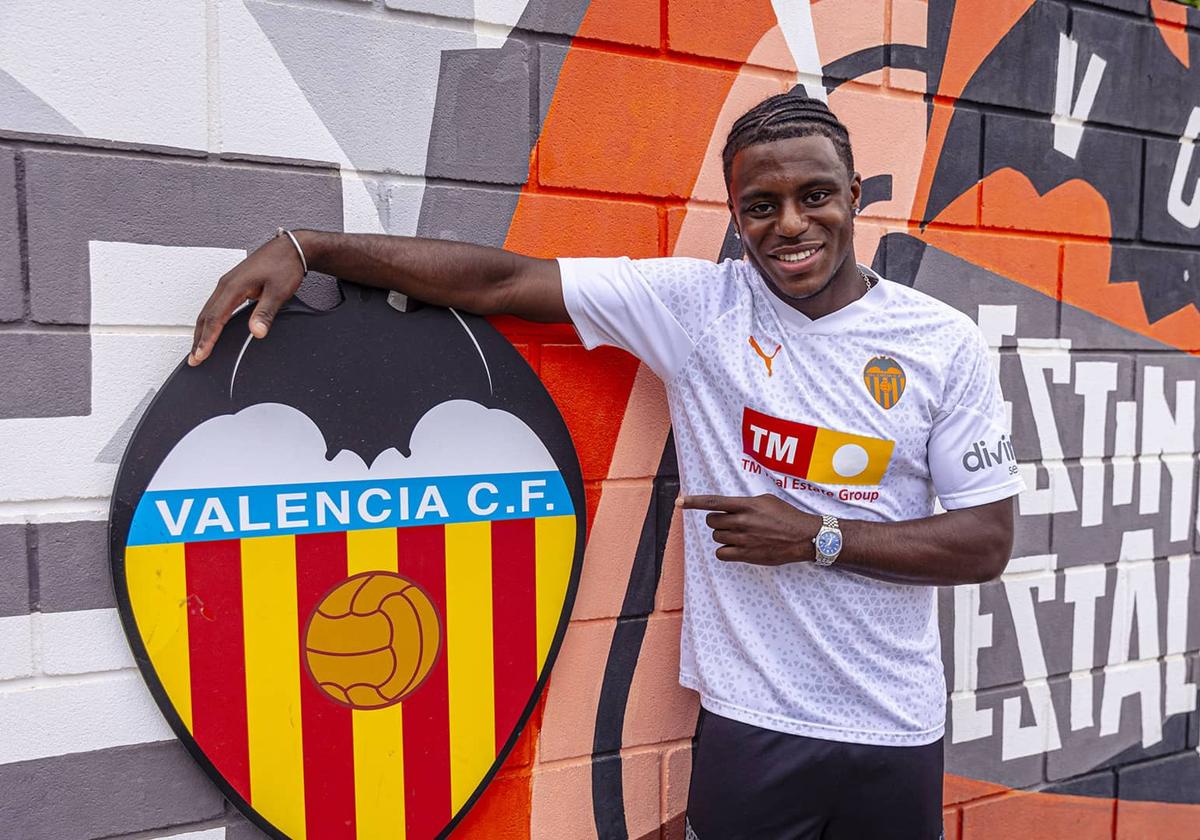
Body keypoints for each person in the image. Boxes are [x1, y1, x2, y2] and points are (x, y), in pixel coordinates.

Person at [190, 94, 1021, 839]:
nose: (791, 226)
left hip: (896, 728)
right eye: (761, 207)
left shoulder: (938, 343)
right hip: (752, 722)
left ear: (856, 199)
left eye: (816, 197)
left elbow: (985, 542)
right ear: (736, 216)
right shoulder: (699, 307)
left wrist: (820, 537)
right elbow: (505, 279)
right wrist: (311, 246)